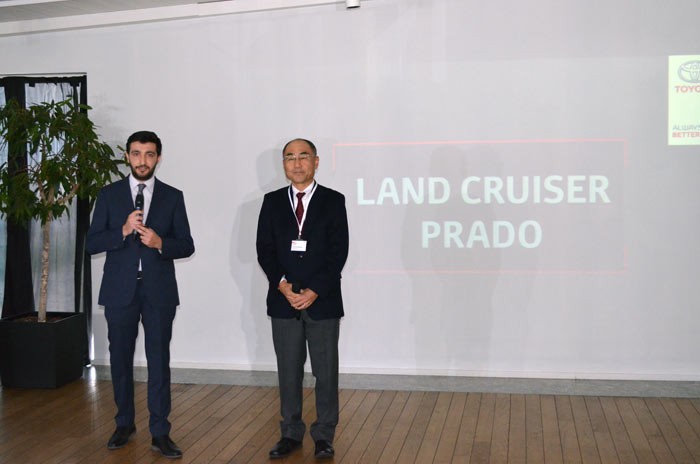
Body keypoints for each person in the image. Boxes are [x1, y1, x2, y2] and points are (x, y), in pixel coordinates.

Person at [86, 130, 194, 459]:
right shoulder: (109, 195)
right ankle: (124, 424)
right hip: (119, 292)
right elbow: (91, 244)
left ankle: (160, 432)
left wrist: (161, 243)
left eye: (149, 154)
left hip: (158, 292)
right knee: (120, 360)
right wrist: (121, 231)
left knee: (159, 361)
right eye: (136, 153)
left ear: (158, 157)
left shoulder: (172, 196)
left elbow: (187, 244)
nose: (142, 160)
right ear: (127, 157)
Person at [256, 138, 349, 460]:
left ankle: (324, 435)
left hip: (322, 302)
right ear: (283, 164)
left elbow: (338, 252)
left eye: (303, 156)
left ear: (316, 161)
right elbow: (265, 250)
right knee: (288, 372)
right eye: (290, 158)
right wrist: (283, 286)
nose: (296, 163)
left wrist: (313, 290)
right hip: (283, 302)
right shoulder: (271, 202)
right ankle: (290, 433)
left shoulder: (333, 200)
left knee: (326, 372)